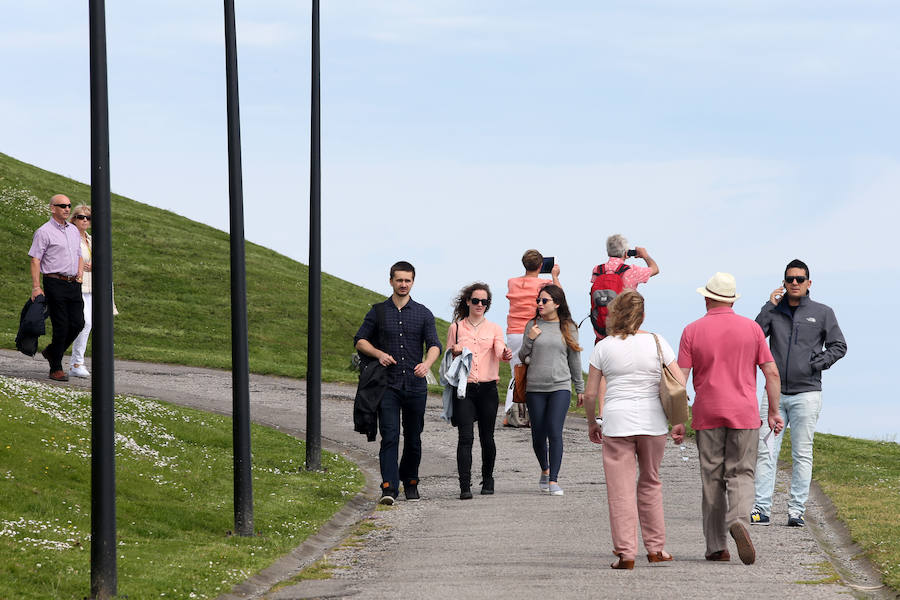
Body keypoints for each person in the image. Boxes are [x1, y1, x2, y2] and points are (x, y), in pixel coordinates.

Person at [677, 272, 783, 565]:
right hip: (744, 414)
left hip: (707, 412)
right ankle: (739, 519)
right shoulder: (751, 329)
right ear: (732, 300)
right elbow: (771, 372)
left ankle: (716, 547)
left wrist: (676, 418)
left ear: (708, 298)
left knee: (711, 478)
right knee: (742, 473)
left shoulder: (691, 330)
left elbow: (678, 379)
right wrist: (774, 411)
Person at [584, 290, 686, 570]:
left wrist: (593, 421)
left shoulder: (604, 347)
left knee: (620, 490)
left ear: (615, 313)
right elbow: (678, 383)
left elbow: (591, 394)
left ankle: (626, 554)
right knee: (651, 482)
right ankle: (656, 549)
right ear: (642, 315)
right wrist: (679, 421)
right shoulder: (657, 342)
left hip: (617, 422)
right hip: (653, 423)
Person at [750, 259, 847, 528]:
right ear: (783, 282)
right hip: (775, 394)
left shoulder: (823, 312)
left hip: (807, 393)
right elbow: (754, 337)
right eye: (790, 279)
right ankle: (761, 509)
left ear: (808, 283)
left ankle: (796, 511)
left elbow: (839, 346)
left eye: (800, 279)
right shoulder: (774, 312)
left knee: (802, 453)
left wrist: (818, 363)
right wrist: (769, 306)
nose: (795, 283)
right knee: (766, 451)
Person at [354, 261, 442, 505]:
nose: (403, 284)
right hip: (388, 386)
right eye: (399, 280)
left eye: (408, 280)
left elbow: (435, 344)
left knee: (414, 437)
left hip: (415, 385)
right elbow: (360, 340)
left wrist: (427, 364)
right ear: (391, 281)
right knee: (390, 436)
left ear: (413, 282)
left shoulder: (423, 313)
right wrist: (379, 354)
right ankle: (389, 488)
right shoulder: (378, 311)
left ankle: (411, 481)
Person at [445, 283, 513, 499]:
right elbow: (447, 356)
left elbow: (500, 349)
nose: (480, 305)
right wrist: (454, 351)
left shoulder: (494, 328)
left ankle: (488, 478)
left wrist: (505, 354)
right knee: (465, 437)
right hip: (464, 388)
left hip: (487, 388)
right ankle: (464, 485)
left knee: (487, 436)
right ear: (468, 301)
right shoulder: (456, 328)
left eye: (484, 302)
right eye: (476, 301)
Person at [518, 284, 584, 496]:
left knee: (555, 431)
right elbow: (522, 356)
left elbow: (574, 358)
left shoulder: (569, 327)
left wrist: (579, 387)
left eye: (544, 301)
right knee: (538, 434)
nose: (539, 304)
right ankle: (544, 470)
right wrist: (530, 340)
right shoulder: (533, 325)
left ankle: (554, 480)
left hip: (560, 387)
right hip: (535, 387)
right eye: (538, 300)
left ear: (556, 303)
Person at [28, 194, 84, 382]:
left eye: (69, 205)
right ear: (53, 208)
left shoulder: (74, 231)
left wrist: (79, 275)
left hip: (73, 283)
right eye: (62, 206)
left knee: (78, 323)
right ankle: (56, 368)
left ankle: (52, 351)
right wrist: (36, 286)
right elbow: (35, 259)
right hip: (54, 282)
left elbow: (78, 254)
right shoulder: (44, 232)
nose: (67, 209)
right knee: (61, 326)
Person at [504, 249, 560, 426]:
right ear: (541, 265)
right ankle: (532, 415)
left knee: (516, 374)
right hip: (533, 330)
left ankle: (510, 415)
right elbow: (559, 296)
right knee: (533, 375)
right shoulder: (543, 283)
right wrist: (555, 276)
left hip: (513, 332)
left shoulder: (512, 282)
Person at [588, 234, 660, 342]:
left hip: (602, 333)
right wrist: (645, 255)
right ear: (626, 253)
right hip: (625, 334)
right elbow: (655, 269)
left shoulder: (597, 270)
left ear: (608, 251)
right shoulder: (631, 271)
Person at [68, 205, 93, 378]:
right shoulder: (71, 236)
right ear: (74, 218)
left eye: (88, 218)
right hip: (77, 285)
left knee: (88, 323)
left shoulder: (90, 239)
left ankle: (77, 362)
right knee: (85, 322)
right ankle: (77, 363)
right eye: (81, 217)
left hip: (91, 287)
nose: (84, 220)